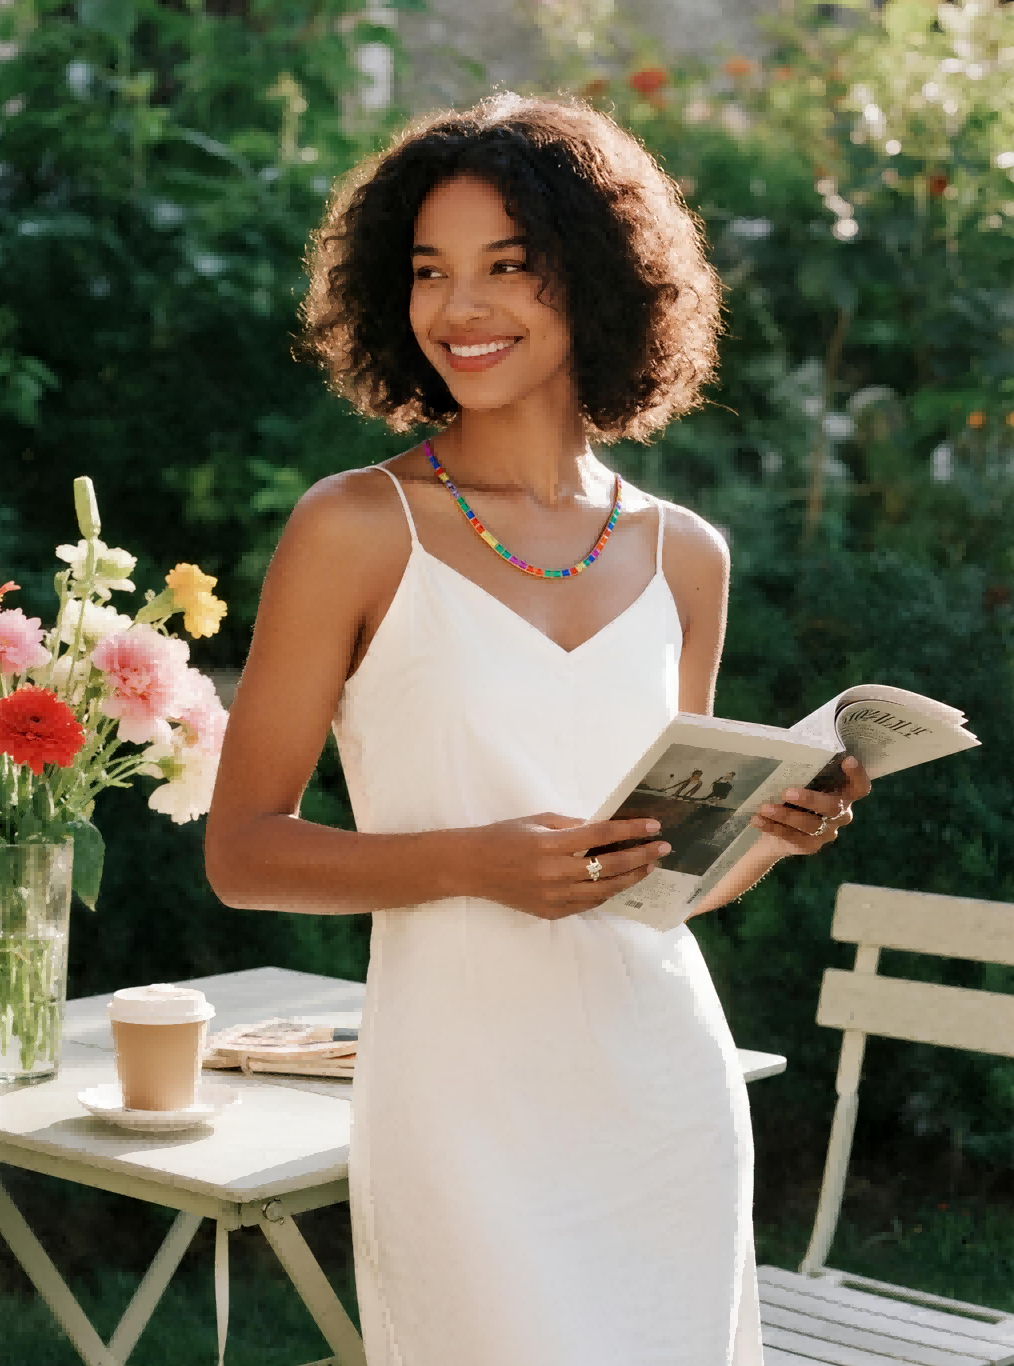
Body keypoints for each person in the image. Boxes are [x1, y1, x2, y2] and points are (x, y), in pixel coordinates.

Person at [204, 92, 872, 1366]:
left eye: (509, 267)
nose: (463, 309)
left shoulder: (687, 555)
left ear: (602, 281)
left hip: (664, 1088)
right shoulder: (353, 528)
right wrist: (471, 860)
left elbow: (655, 882)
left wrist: (770, 837)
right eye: (430, 271)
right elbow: (243, 850)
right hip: (460, 1105)